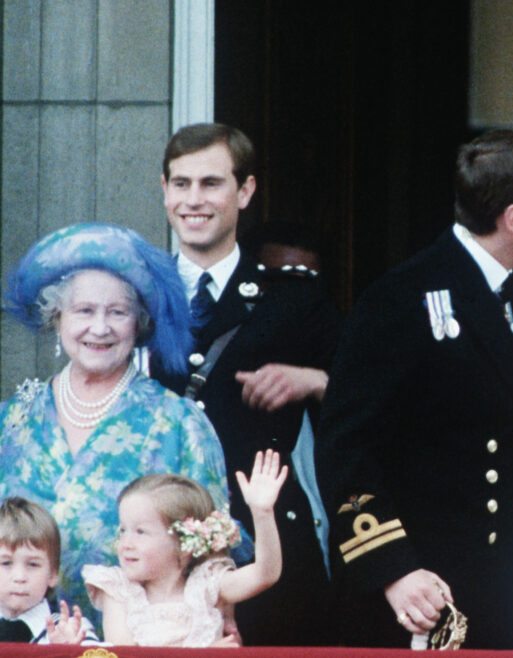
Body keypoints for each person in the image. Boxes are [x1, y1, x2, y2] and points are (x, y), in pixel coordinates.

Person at [318, 129, 513, 649]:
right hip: (420, 592)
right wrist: (393, 569)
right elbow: (346, 451)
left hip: (501, 586)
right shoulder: (400, 299)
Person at [153, 123, 340, 646]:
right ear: (164, 190)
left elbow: (368, 407)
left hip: (268, 550)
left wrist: (316, 381)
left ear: (245, 191)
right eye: (181, 183)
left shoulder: (295, 301)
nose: (194, 200)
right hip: (157, 555)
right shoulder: (136, 299)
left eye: (211, 183)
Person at [0, 223, 232, 630]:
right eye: (84, 310)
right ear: (57, 318)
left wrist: (224, 620)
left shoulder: (179, 424)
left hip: (141, 645)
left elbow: (213, 559)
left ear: (138, 324)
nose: (100, 328)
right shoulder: (8, 423)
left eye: (117, 312)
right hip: (18, 643)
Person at [83, 450, 286, 647]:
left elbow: (265, 574)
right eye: (123, 530)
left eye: (141, 532)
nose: (126, 543)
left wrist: (262, 513)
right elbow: (126, 656)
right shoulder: (119, 591)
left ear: (184, 544)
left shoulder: (207, 584)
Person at [0, 498, 98, 644]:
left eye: (33, 564)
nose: (20, 577)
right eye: (6, 563)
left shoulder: (73, 631)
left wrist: (67, 654)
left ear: (53, 573)